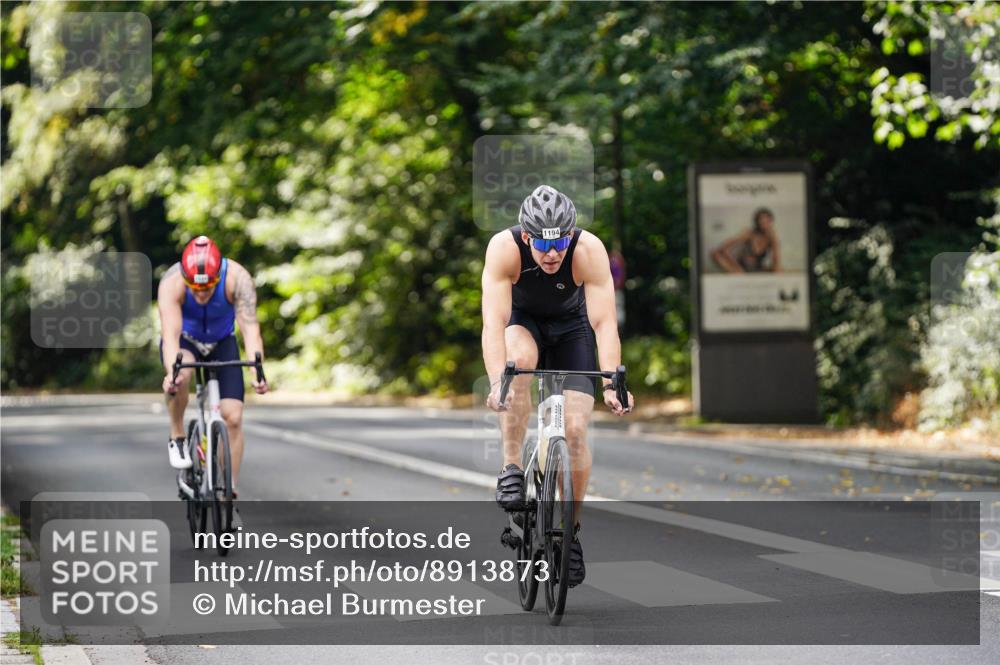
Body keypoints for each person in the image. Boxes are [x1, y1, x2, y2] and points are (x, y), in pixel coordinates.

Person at [481, 184, 634, 587]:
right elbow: (493, 323)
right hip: (523, 324)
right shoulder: (504, 248)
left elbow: (604, 323)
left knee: (577, 430)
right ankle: (511, 466)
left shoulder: (589, 250)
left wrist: (613, 382)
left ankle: (570, 533)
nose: (553, 254)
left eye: (561, 243)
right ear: (527, 235)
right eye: (544, 244)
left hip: (573, 331)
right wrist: (499, 380)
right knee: (518, 366)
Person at [157, 236, 268, 499]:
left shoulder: (237, 278)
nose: (201, 294)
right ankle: (178, 436)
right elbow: (170, 336)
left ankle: (228, 490)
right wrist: (172, 374)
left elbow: (251, 330)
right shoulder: (171, 283)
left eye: (207, 289)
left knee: (234, 416)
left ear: (218, 277)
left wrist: (257, 371)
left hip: (222, 341)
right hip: (186, 341)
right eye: (194, 289)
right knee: (180, 376)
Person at [710, 207, 782, 273]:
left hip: (758, 268)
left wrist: (775, 241)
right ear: (757, 222)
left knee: (779, 270)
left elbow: (776, 261)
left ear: (771, 222)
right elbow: (723, 247)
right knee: (714, 253)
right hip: (741, 268)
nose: (764, 223)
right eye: (761, 220)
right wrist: (733, 264)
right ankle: (738, 273)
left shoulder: (772, 238)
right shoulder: (749, 233)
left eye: (767, 221)